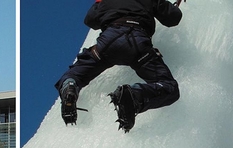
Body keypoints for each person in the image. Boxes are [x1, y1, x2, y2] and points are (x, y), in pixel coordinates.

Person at [55, 0, 183, 132]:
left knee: (74, 74)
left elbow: (90, 20)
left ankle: (69, 87)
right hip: (137, 43)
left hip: (107, 43)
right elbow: (173, 18)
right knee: (170, 87)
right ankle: (134, 96)